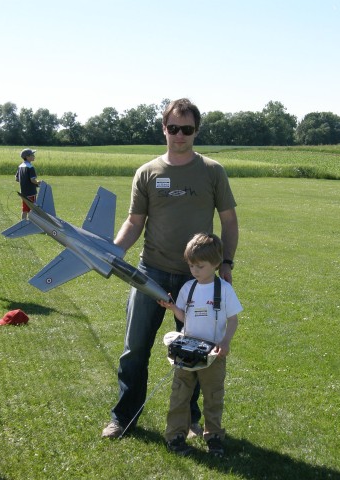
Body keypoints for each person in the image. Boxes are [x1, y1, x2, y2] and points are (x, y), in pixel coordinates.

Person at [101, 98, 239, 439]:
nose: (180, 135)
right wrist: (114, 251)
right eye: (174, 128)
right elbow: (134, 222)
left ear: (196, 132)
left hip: (199, 279)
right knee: (135, 349)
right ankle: (124, 418)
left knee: (196, 350)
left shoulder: (211, 171)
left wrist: (226, 265)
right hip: (151, 272)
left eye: (187, 129)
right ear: (164, 129)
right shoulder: (148, 172)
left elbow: (229, 220)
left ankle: (190, 420)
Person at [158, 233, 242, 456]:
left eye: (200, 266)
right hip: (186, 352)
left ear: (215, 264)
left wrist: (225, 342)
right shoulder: (188, 288)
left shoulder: (224, 290)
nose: (195, 271)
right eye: (192, 266)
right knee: (179, 395)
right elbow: (186, 318)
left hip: (214, 354)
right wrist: (173, 307)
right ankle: (175, 435)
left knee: (213, 396)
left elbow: (233, 319)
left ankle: (213, 436)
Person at [15, 148, 39, 220]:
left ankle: (23, 222)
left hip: (23, 192)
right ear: (27, 157)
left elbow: (17, 179)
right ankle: (32, 223)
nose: (34, 156)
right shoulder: (30, 167)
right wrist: (38, 182)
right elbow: (32, 180)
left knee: (25, 209)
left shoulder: (20, 166)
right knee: (33, 209)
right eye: (32, 155)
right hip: (31, 192)